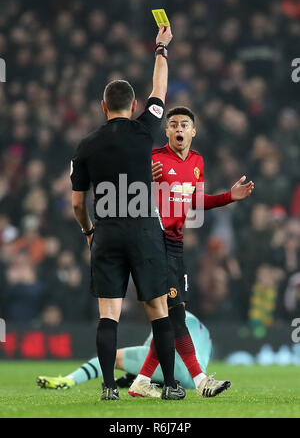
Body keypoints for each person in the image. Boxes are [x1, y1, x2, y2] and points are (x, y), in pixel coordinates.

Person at [70, 25, 185, 401]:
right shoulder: (143, 130)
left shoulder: (86, 146)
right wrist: (161, 48)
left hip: (107, 233)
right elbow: (160, 89)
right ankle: (169, 386)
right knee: (158, 309)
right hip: (144, 231)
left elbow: (76, 204)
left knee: (109, 314)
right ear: (133, 106)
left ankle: (107, 389)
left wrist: (89, 231)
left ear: (104, 107)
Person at [128, 106, 254, 398]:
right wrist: (144, 179)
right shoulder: (154, 159)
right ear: (167, 131)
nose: (179, 129)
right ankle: (200, 381)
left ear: (193, 131)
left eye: (185, 124)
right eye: (173, 125)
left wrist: (228, 197)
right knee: (175, 316)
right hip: (153, 241)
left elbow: (195, 200)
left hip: (175, 243)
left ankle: (141, 381)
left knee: (171, 317)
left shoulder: (197, 161)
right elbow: (130, 195)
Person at [37, 311, 212, 394]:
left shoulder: (164, 311)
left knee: (111, 358)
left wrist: (134, 371)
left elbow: (154, 347)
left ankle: (69, 380)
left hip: (177, 366)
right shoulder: (198, 325)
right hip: (195, 379)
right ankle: (147, 382)